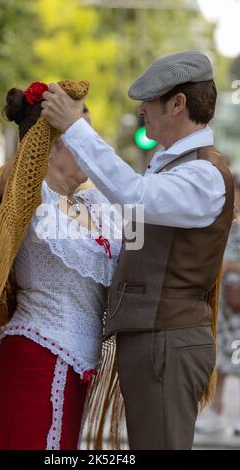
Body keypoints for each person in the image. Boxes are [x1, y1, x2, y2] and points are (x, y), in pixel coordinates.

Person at [41, 50, 235, 449]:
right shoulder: (174, 166)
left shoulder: (202, 174)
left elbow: (134, 196)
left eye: (150, 101)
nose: (142, 110)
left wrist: (75, 129)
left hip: (167, 339)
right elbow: (135, 240)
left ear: (178, 104)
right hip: (156, 338)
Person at [0, 84, 122, 450]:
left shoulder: (95, 204)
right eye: (80, 135)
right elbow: (6, 182)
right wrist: (38, 120)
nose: (91, 143)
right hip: (37, 355)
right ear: (49, 147)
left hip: (75, 364)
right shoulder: (27, 198)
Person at [196, 173, 240, 438]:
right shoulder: (224, 225)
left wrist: (228, 266)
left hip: (238, 303)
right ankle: (216, 411)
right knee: (221, 359)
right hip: (223, 304)